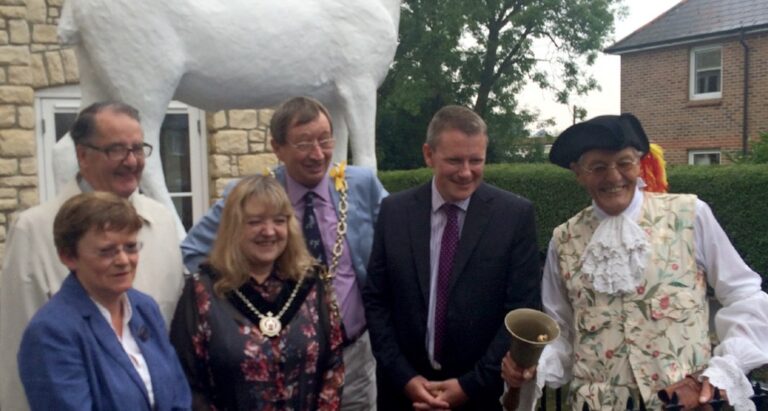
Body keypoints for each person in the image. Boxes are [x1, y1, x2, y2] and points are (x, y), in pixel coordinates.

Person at [502, 113, 768, 411]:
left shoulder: (691, 215)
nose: (614, 177)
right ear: (578, 172)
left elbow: (744, 294)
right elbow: (561, 330)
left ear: (640, 163)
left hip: (683, 404)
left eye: (624, 163)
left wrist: (725, 368)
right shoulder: (562, 240)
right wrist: (533, 365)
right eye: (598, 167)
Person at [181, 96, 386, 410]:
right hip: (276, 361)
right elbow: (193, 252)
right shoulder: (253, 196)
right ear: (277, 148)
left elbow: (399, 239)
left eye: (324, 140)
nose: (317, 154)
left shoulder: (361, 185)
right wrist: (242, 300)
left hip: (353, 355)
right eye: (303, 143)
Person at [0, 101, 185, 410]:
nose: (131, 161)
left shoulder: (164, 222)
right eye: (116, 149)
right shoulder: (34, 230)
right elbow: (16, 349)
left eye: (138, 149)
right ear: (82, 155)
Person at [363, 105, 542, 410]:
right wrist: (405, 378)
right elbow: (377, 300)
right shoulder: (394, 212)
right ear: (428, 154)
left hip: (479, 396)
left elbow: (520, 309)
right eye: (454, 160)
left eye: (476, 160)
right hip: (402, 394)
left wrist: (468, 385)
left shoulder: (514, 217)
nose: (466, 172)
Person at [170, 175, 344, 410]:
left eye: (279, 220)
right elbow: (186, 380)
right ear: (234, 227)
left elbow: (333, 368)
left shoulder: (312, 285)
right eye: (255, 222)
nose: (269, 231)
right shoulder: (202, 291)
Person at [16, 192, 191, 410]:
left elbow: (178, 396)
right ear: (68, 257)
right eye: (107, 251)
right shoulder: (51, 332)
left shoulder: (144, 309)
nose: (123, 261)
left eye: (130, 247)